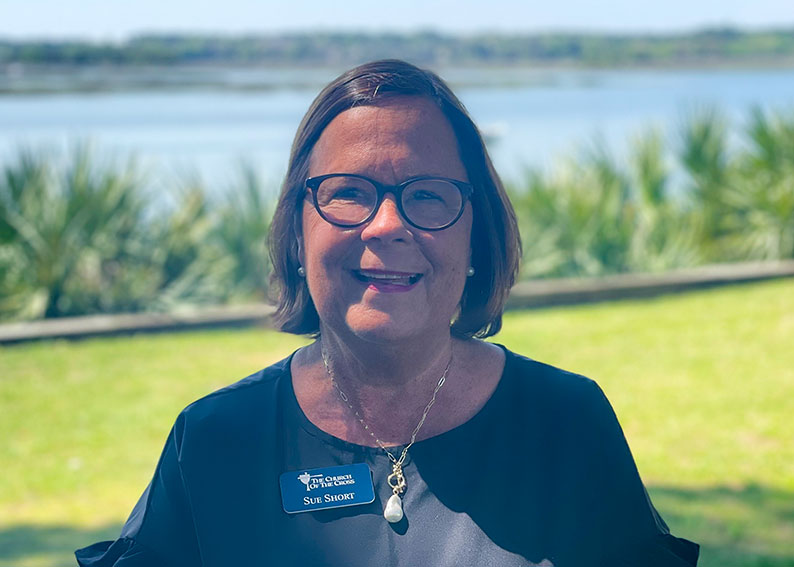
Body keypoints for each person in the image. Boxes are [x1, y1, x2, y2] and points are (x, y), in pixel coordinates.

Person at [76, 59, 699, 567]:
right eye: (349, 192)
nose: (388, 225)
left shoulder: (567, 424)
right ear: (298, 230)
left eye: (426, 195)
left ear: (473, 235)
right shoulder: (214, 441)